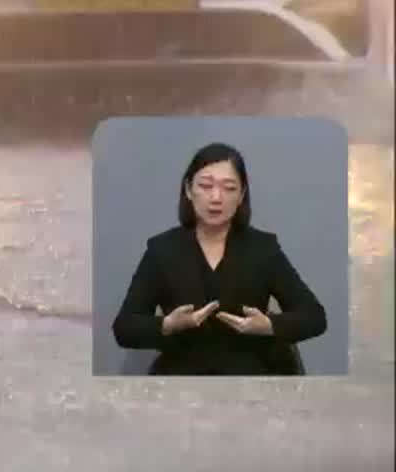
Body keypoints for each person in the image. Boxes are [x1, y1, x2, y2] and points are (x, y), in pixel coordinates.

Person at [111, 142, 327, 375]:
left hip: (249, 379)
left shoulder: (263, 249)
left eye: (229, 188)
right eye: (205, 185)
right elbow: (124, 328)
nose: (216, 197)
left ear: (242, 194)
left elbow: (314, 317)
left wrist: (269, 326)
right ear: (188, 190)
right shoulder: (162, 250)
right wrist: (167, 325)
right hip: (180, 380)